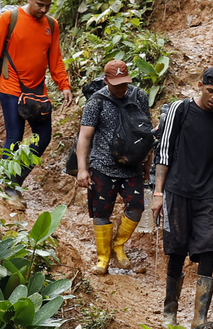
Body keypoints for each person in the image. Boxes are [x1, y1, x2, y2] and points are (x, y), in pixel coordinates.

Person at [151, 66, 213, 329]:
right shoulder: (180, 110)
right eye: (210, 91)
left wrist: (211, 188)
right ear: (200, 85)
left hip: (206, 196)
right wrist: (158, 192)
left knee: (208, 249)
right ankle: (170, 311)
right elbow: (163, 152)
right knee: (176, 250)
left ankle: (199, 318)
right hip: (176, 190)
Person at [0, 0, 72, 209]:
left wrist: (64, 84)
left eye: (48, 5)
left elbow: (55, 58)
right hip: (10, 85)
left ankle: (15, 179)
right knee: (14, 136)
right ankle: (10, 189)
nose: (44, 9)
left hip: (37, 90)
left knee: (44, 137)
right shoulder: (9, 19)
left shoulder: (52, 25)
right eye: (40, 4)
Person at [75, 60, 150, 275]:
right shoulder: (96, 102)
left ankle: (118, 246)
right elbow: (85, 137)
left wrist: (147, 163)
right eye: (116, 84)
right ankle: (103, 257)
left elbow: (146, 132)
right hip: (102, 165)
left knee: (136, 206)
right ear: (106, 80)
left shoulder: (139, 97)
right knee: (101, 212)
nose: (121, 88)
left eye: (124, 83)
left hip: (132, 165)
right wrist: (82, 169)